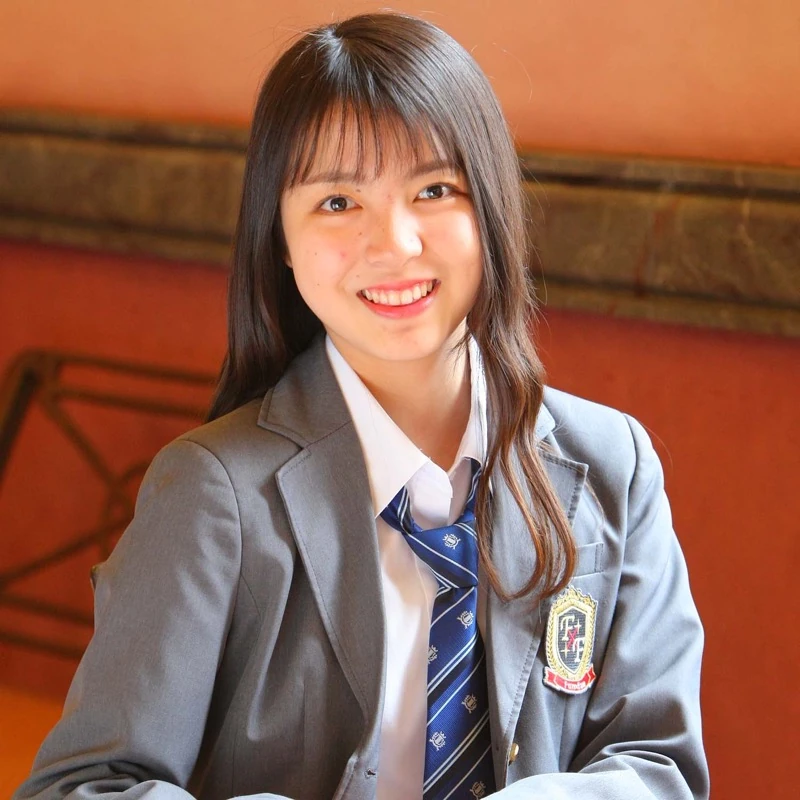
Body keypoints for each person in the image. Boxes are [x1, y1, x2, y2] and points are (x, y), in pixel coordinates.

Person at [14, 12, 709, 800]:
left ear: (492, 207)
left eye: (434, 189)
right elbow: (82, 786)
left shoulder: (613, 464)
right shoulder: (214, 494)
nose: (395, 244)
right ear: (279, 238)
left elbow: (659, 766)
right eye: (339, 201)